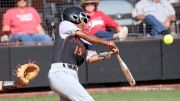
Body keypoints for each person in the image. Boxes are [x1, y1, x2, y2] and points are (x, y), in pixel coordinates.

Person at [48, 7, 119, 101]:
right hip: (61, 73)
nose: (85, 22)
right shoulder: (65, 24)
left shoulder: (85, 41)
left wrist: (110, 53)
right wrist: (107, 42)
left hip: (72, 75)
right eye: (83, 18)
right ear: (74, 17)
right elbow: (86, 36)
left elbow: (92, 59)